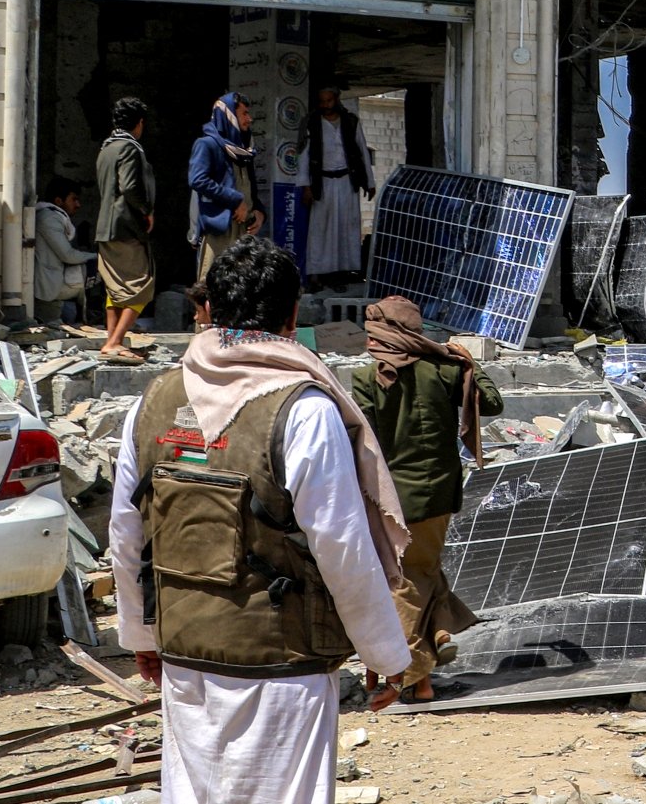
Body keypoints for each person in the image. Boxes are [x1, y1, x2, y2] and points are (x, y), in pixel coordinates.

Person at [107, 237, 411, 803]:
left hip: (184, 651)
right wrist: (386, 654)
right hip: (282, 662)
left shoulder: (152, 401)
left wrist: (140, 634)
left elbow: (127, 534)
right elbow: (341, 546)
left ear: (210, 311)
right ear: (293, 316)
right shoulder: (304, 408)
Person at [351, 296, 502, 702]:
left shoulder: (368, 379)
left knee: (402, 581)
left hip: (394, 497)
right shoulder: (446, 369)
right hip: (441, 492)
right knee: (424, 569)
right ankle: (429, 662)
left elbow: (361, 441)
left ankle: (412, 671)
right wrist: (471, 363)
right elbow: (491, 402)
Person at [96, 97, 157, 363]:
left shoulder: (106, 149)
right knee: (142, 285)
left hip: (104, 228)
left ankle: (112, 343)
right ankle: (115, 341)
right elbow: (130, 187)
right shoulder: (131, 149)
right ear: (139, 123)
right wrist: (146, 211)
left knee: (115, 289)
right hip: (126, 228)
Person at [303, 87, 374, 290]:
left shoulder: (351, 122)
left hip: (346, 181)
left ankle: (340, 274)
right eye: (322, 101)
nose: (325, 105)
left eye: (329, 101)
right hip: (322, 182)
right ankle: (316, 274)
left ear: (336, 100)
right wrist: (306, 186)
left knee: (345, 227)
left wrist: (369, 182)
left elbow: (362, 151)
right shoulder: (313, 123)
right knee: (320, 229)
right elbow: (305, 156)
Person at [188, 92, 261, 279]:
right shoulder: (207, 144)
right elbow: (198, 180)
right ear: (228, 115)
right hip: (220, 230)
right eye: (244, 114)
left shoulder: (244, 149)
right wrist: (235, 200)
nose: (249, 119)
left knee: (243, 288)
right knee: (213, 288)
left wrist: (260, 211)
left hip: (245, 229)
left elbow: (250, 186)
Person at [33, 176, 94, 326]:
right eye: (74, 199)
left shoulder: (56, 217)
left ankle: (89, 317)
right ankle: (95, 317)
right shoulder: (49, 218)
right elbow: (68, 255)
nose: (78, 204)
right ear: (59, 201)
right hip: (47, 285)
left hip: (55, 278)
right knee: (98, 267)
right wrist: (98, 257)